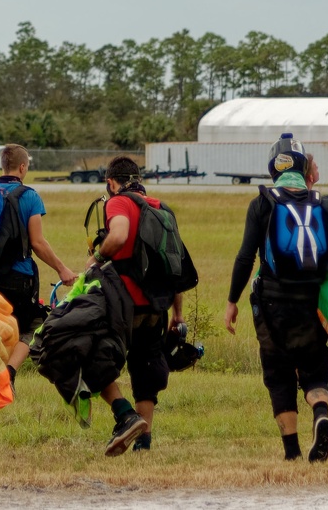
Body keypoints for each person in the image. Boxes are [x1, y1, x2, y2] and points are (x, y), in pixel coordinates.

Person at [224, 134, 328, 462]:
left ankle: (292, 452)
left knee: (278, 372)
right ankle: (320, 411)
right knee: (315, 371)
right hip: (313, 301)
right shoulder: (321, 204)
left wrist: (232, 301)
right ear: (304, 167)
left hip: (273, 302)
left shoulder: (262, 203)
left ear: (273, 167)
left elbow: (246, 257)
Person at [86, 155, 185, 457]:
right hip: (157, 307)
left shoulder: (117, 202)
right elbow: (175, 266)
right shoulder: (161, 209)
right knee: (146, 368)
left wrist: (97, 259)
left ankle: (124, 414)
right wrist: (178, 314)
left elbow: (117, 235)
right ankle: (144, 443)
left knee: (88, 355)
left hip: (123, 306)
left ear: (111, 182)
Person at [0, 143, 78, 390]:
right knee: (33, 325)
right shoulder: (29, 196)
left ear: (3, 165)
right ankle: (9, 372)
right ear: (22, 167)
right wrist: (62, 269)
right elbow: (38, 242)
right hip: (19, 279)